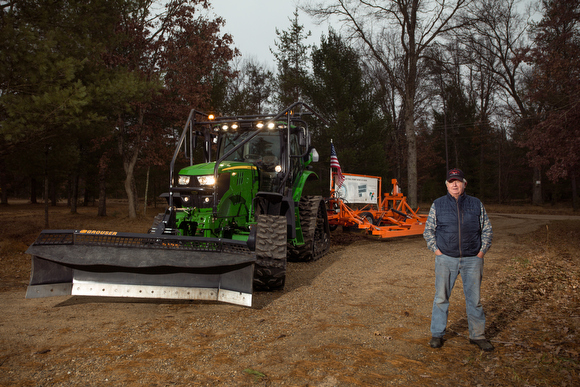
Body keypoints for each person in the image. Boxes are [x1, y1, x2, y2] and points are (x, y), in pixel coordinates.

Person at [423, 168, 494, 351]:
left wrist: (481, 252)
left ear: (464, 183)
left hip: (473, 260)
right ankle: (437, 334)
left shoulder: (476, 204)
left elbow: (487, 230)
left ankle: (477, 336)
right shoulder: (438, 204)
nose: (454, 184)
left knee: (474, 300)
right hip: (446, 259)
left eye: (458, 181)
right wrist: (437, 251)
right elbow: (428, 231)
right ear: (446, 184)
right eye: (451, 181)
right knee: (441, 298)